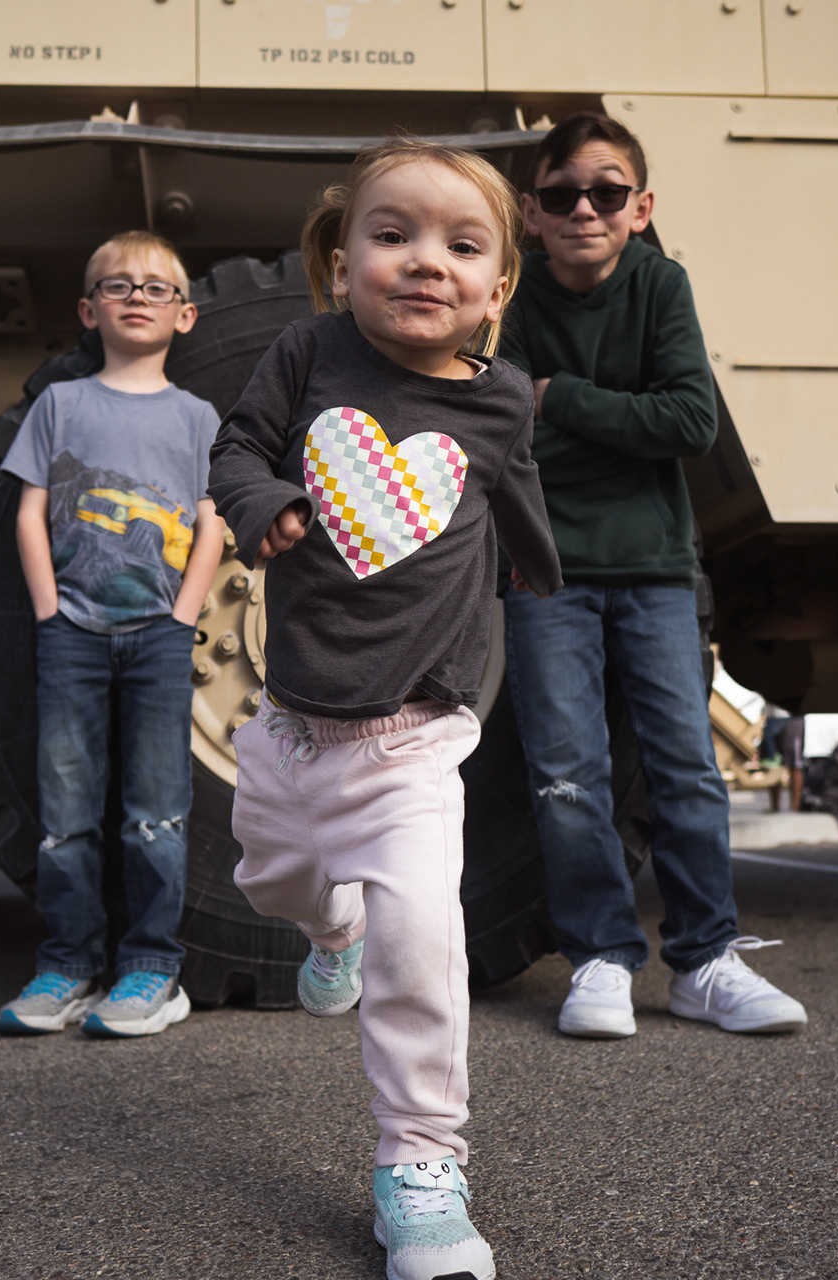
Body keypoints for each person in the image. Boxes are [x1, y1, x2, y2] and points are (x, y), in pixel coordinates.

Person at [208, 139, 561, 1280]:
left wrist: (541, 569)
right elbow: (238, 444)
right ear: (341, 260)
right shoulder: (307, 353)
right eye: (393, 234)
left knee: (426, 944)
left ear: (497, 290)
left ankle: (421, 1164)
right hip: (291, 727)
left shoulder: (500, 398)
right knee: (270, 879)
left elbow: (513, 489)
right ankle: (331, 932)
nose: (425, 261)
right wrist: (260, 501)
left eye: (463, 246)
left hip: (416, 734)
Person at [497, 110, 807, 1041]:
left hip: (657, 570)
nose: (584, 210)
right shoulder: (511, 300)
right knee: (566, 774)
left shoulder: (660, 283)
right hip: (545, 571)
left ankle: (705, 961)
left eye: (607, 192)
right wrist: (620, 425)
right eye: (562, 195)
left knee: (685, 769)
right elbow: (506, 443)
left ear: (642, 207)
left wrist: (563, 398)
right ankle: (599, 958)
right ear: (530, 212)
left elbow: (691, 423)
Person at [0, 230, 225, 1039]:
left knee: (156, 810)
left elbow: (211, 524)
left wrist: (184, 615)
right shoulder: (59, 405)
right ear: (88, 310)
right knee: (67, 811)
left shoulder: (196, 417)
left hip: (160, 635)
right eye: (117, 285)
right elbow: (29, 513)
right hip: (72, 633)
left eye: (157, 288)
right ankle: (67, 966)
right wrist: (49, 610)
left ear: (184, 315)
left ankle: (153, 969)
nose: (136, 297)